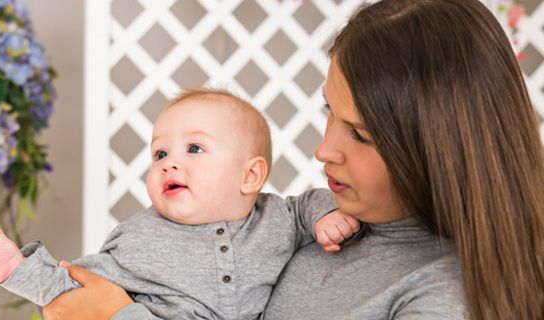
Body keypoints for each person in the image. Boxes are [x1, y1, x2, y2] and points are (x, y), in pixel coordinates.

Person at [37, 0, 544, 319]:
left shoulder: (444, 296)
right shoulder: (310, 228)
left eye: (360, 134)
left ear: (439, 148)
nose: (324, 149)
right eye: (329, 111)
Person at [0, 88, 360, 319]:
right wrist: (17, 270)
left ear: (250, 176)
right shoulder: (139, 238)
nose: (169, 162)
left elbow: (310, 202)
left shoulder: (280, 216)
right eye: (159, 154)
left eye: (194, 148)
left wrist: (326, 216)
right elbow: (75, 285)